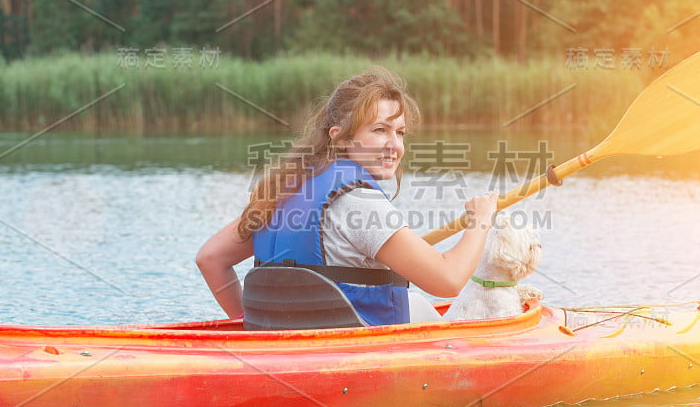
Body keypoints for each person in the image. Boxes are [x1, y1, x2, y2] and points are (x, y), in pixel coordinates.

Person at [196, 67, 498, 325]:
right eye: (380, 130)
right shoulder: (359, 201)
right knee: (426, 307)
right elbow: (448, 280)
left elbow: (210, 258)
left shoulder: (283, 187)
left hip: (282, 348)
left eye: (400, 132)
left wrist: (254, 328)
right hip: (352, 349)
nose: (394, 145)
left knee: (414, 301)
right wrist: (480, 222)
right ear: (340, 137)